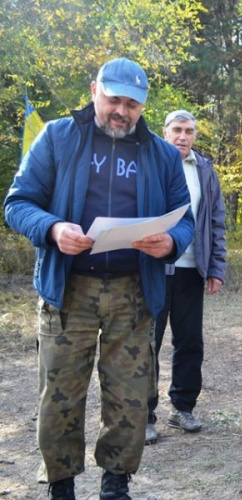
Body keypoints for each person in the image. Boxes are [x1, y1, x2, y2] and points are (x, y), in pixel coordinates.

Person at [4, 58, 194, 500]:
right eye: (113, 100)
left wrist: (170, 243)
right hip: (68, 287)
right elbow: (18, 203)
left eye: (132, 104)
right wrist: (52, 228)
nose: (121, 112)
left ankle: (116, 483)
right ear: (94, 91)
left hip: (133, 290)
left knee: (129, 394)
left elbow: (184, 217)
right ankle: (61, 485)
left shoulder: (163, 153)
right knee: (60, 394)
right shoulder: (57, 137)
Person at [145, 110, 227, 445]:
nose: (183, 136)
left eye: (189, 131)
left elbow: (216, 221)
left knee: (190, 342)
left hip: (193, 270)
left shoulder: (205, 170)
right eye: (177, 130)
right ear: (165, 132)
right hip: (153, 269)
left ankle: (182, 407)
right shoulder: (151, 164)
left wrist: (216, 267)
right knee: (147, 343)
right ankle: (143, 415)